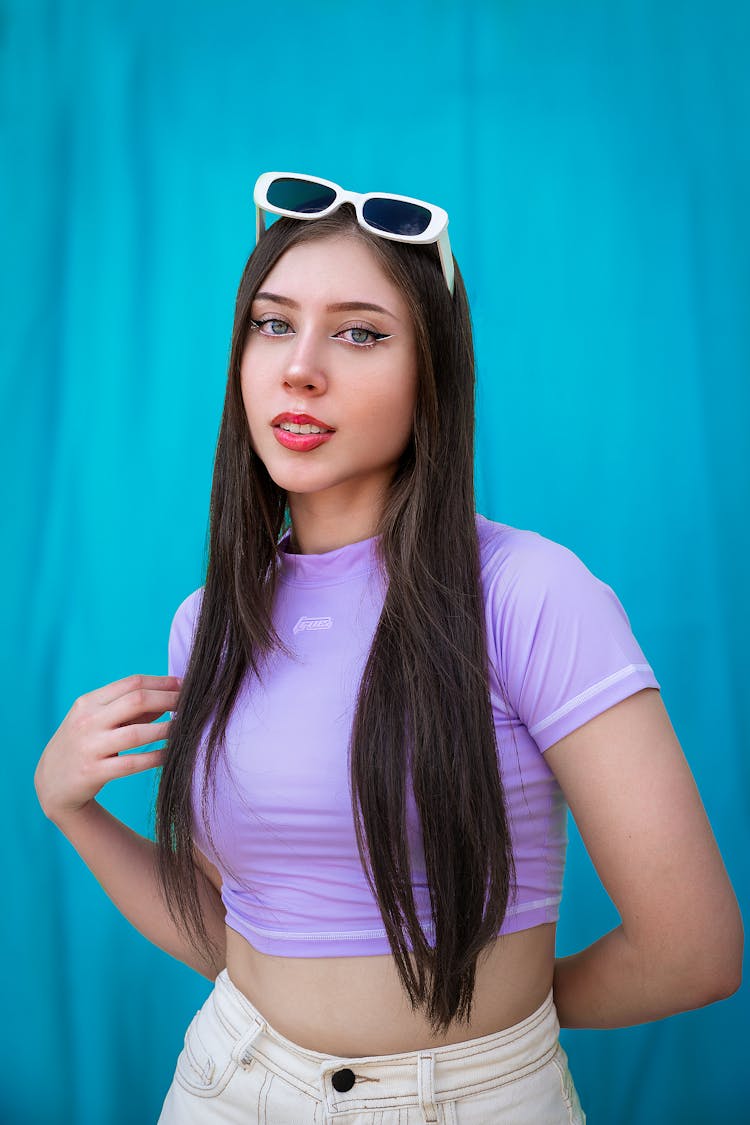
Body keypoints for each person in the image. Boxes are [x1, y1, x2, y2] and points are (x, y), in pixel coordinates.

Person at [35, 172, 743, 1124]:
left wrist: (498, 1023)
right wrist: (69, 808)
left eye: (360, 332)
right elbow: (242, 939)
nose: (300, 368)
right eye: (273, 324)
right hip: (229, 1085)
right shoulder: (208, 621)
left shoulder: (530, 595)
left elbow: (693, 951)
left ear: (433, 373)